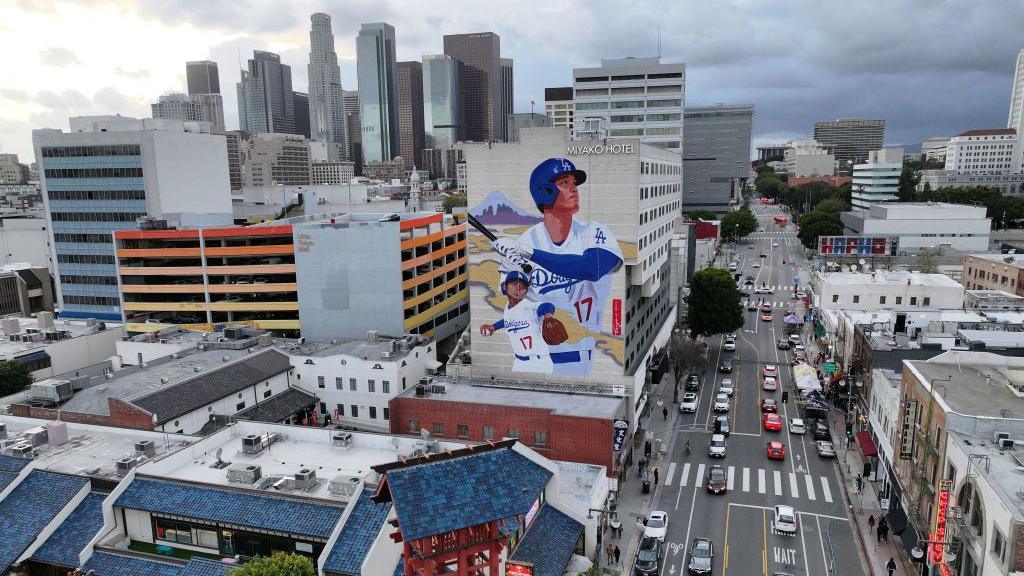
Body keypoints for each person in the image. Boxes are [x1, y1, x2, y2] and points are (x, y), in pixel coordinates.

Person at [492, 158, 624, 376]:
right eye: (564, 182)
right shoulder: (523, 242)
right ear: (544, 191)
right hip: (534, 362)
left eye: (574, 182)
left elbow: (591, 268)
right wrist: (513, 269)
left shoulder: (595, 232)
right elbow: (513, 301)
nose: (574, 188)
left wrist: (529, 254)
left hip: (584, 360)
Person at [479, 270, 556, 374]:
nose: (518, 288)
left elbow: (547, 306)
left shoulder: (529, 307)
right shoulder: (508, 308)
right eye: (514, 284)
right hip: (518, 362)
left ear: (525, 291)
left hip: (539, 363)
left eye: (522, 286)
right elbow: (509, 320)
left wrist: (548, 317)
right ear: (505, 287)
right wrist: (494, 327)